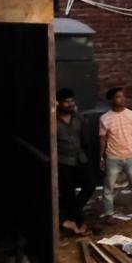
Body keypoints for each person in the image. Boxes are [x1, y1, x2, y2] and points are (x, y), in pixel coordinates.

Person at [99, 87, 132, 222]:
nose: (122, 99)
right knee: (109, 186)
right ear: (111, 100)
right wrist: (101, 156)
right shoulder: (105, 118)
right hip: (113, 157)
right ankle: (109, 214)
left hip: (131, 155)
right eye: (118, 97)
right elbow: (103, 138)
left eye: (122, 96)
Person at [56, 88, 95, 235]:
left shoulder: (80, 118)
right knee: (68, 194)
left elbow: (86, 141)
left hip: (80, 158)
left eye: (72, 101)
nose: (70, 104)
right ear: (59, 102)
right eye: (66, 101)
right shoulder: (52, 120)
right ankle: (79, 224)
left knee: (89, 186)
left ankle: (69, 220)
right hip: (63, 161)